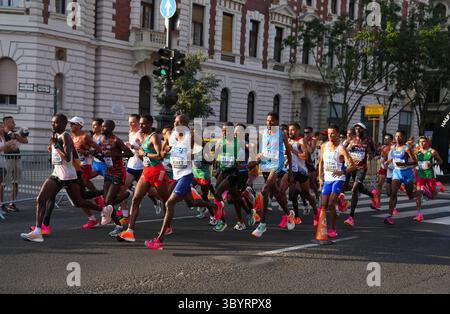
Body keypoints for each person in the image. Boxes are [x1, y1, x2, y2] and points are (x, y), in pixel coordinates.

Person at [19, 114, 109, 243]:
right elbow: (58, 157)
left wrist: (56, 147)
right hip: (57, 174)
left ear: (62, 123)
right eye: (52, 122)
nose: (52, 125)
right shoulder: (56, 136)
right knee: (41, 198)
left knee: (79, 202)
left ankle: (104, 209)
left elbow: (67, 157)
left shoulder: (65, 136)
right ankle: (38, 231)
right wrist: (53, 152)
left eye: (55, 123)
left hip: (68, 175)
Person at [145, 115, 217, 250]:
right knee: (191, 203)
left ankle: (159, 239)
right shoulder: (172, 136)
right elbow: (163, 152)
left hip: (186, 175)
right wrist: (165, 149)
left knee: (169, 203)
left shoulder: (191, 136)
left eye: (178, 122)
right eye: (174, 121)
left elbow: (205, 151)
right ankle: (213, 206)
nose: (175, 123)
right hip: (177, 175)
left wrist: (193, 155)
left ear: (185, 124)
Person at [117, 115, 171, 242]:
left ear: (151, 123)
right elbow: (143, 156)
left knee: (166, 200)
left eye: (144, 124)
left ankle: (167, 226)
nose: (141, 126)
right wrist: (140, 153)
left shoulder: (154, 137)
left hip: (158, 172)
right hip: (147, 172)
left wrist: (144, 153)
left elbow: (159, 156)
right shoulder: (144, 137)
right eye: (140, 124)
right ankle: (130, 232)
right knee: (136, 199)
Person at [252, 112, 295, 237]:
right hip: (266, 163)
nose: (269, 123)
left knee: (265, 190)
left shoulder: (282, 134)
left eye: (271, 121)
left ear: (276, 122)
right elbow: (261, 149)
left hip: (277, 163)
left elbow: (288, 151)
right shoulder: (263, 133)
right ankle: (289, 214)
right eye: (267, 121)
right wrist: (258, 155)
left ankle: (263, 224)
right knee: (276, 192)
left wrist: (291, 170)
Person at [318, 125, 355, 238]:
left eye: (333, 133)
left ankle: (332, 229)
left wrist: (342, 171)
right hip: (328, 179)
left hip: (338, 179)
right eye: (329, 133)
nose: (330, 136)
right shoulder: (324, 146)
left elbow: (352, 166)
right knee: (323, 205)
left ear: (338, 134)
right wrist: (320, 177)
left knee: (330, 203)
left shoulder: (341, 149)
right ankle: (341, 203)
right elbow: (321, 162)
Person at [98, 120, 134, 237]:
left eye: (105, 127)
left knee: (108, 202)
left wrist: (116, 155)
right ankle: (118, 226)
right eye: (102, 126)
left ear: (111, 128)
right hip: (108, 172)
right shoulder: (101, 140)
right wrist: (94, 154)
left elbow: (130, 153)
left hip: (118, 173)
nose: (103, 128)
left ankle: (128, 194)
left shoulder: (116, 140)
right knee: (107, 203)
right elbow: (102, 156)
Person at [344, 123, 379, 227]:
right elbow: (342, 149)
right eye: (356, 128)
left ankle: (351, 217)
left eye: (360, 129)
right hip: (350, 167)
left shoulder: (368, 141)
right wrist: (349, 148)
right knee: (347, 187)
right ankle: (372, 195)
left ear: (364, 130)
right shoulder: (351, 139)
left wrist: (370, 154)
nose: (358, 130)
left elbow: (375, 152)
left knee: (355, 189)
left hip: (361, 168)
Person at [384, 130, 418, 225]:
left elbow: (415, 162)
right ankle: (389, 216)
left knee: (410, 195)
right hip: (397, 173)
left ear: (404, 138)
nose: (398, 138)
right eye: (396, 136)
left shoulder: (407, 149)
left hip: (407, 173)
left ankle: (422, 192)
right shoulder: (393, 147)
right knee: (393, 193)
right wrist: (389, 161)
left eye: (400, 136)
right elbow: (394, 158)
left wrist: (405, 163)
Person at [288, 123, 319, 226]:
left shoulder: (301, 141)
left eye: (292, 130)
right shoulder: (288, 141)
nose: (290, 132)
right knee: (292, 194)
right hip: (292, 170)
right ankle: (296, 216)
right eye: (289, 130)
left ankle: (316, 212)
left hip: (302, 171)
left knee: (306, 194)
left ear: (297, 131)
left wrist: (293, 151)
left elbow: (305, 156)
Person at [119, 114, 146, 223]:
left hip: (142, 168)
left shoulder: (140, 134)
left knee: (149, 193)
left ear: (138, 123)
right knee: (121, 190)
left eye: (132, 122)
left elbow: (144, 148)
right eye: (129, 122)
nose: (130, 124)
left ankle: (159, 201)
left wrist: (132, 146)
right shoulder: (131, 133)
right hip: (131, 166)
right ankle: (126, 216)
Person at [415, 136, 444, 221]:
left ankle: (438, 186)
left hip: (429, 175)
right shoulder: (417, 151)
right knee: (418, 194)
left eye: (423, 141)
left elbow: (441, 161)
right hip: (420, 175)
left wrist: (432, 164)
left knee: (433, 195)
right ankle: (419, 214)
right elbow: (416, 162)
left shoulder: (432, 151)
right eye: (420, 142)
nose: (422, 143)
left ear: (427, 142)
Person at [2, 116, 28, 212]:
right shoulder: (2, 134)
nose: (15, 124)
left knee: (15, 182)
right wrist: (10, 145)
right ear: (6, 123)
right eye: (12, 122)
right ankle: (1, 205)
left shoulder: (15, 133)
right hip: (6, 160)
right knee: (3, 183)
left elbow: (25, 141)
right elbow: (5, 148)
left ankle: (12, 203)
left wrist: (16, 136)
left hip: (17, 159)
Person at [375, 134, 393, 208]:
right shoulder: (383, 147)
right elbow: (382, 158)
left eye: (387, 139)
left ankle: (392, 204)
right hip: (383, 169)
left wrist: (388, 162)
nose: (385, 140)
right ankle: (378, 203)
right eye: (384, 138)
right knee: (379, 185)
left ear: (391, 140)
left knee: (389, 191)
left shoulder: (392, 148)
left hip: (390, 169)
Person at [0, 122, 6, 219]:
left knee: (1, 186)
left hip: (2, 164)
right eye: (1, 127)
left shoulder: (2, 137)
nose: (2, 128)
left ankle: (0, 207)